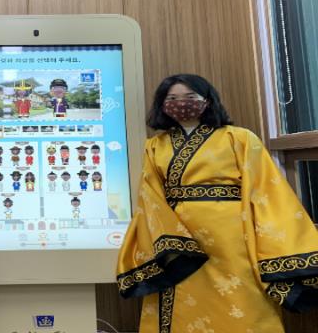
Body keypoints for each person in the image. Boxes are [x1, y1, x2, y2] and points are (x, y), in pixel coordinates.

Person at [116, 74, 318, 333]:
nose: (181, 104)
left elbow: (266, 190)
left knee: (241, 296)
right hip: (179, 241)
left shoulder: (240, 138)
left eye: (190, 97)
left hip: (233, 238)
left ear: (208, 101)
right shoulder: (155, 146)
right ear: (162, 106)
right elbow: (150, 196)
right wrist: (170, 241)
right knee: (181, 295)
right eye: (172, 99)